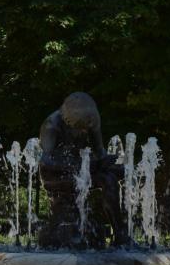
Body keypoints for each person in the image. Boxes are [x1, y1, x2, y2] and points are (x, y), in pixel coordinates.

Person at [37, 92, 128, 248]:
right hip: (56, 176)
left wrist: (110, 164)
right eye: (79, 129)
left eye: (86, 129)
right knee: (90, 177)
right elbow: (46, 163)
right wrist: (80, 166)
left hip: (81, 170)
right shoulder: (51, 125)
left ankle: (120, 235)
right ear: (68, 120)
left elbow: (100, 152)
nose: (84, 133)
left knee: (109, 179)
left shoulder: (91, 119)